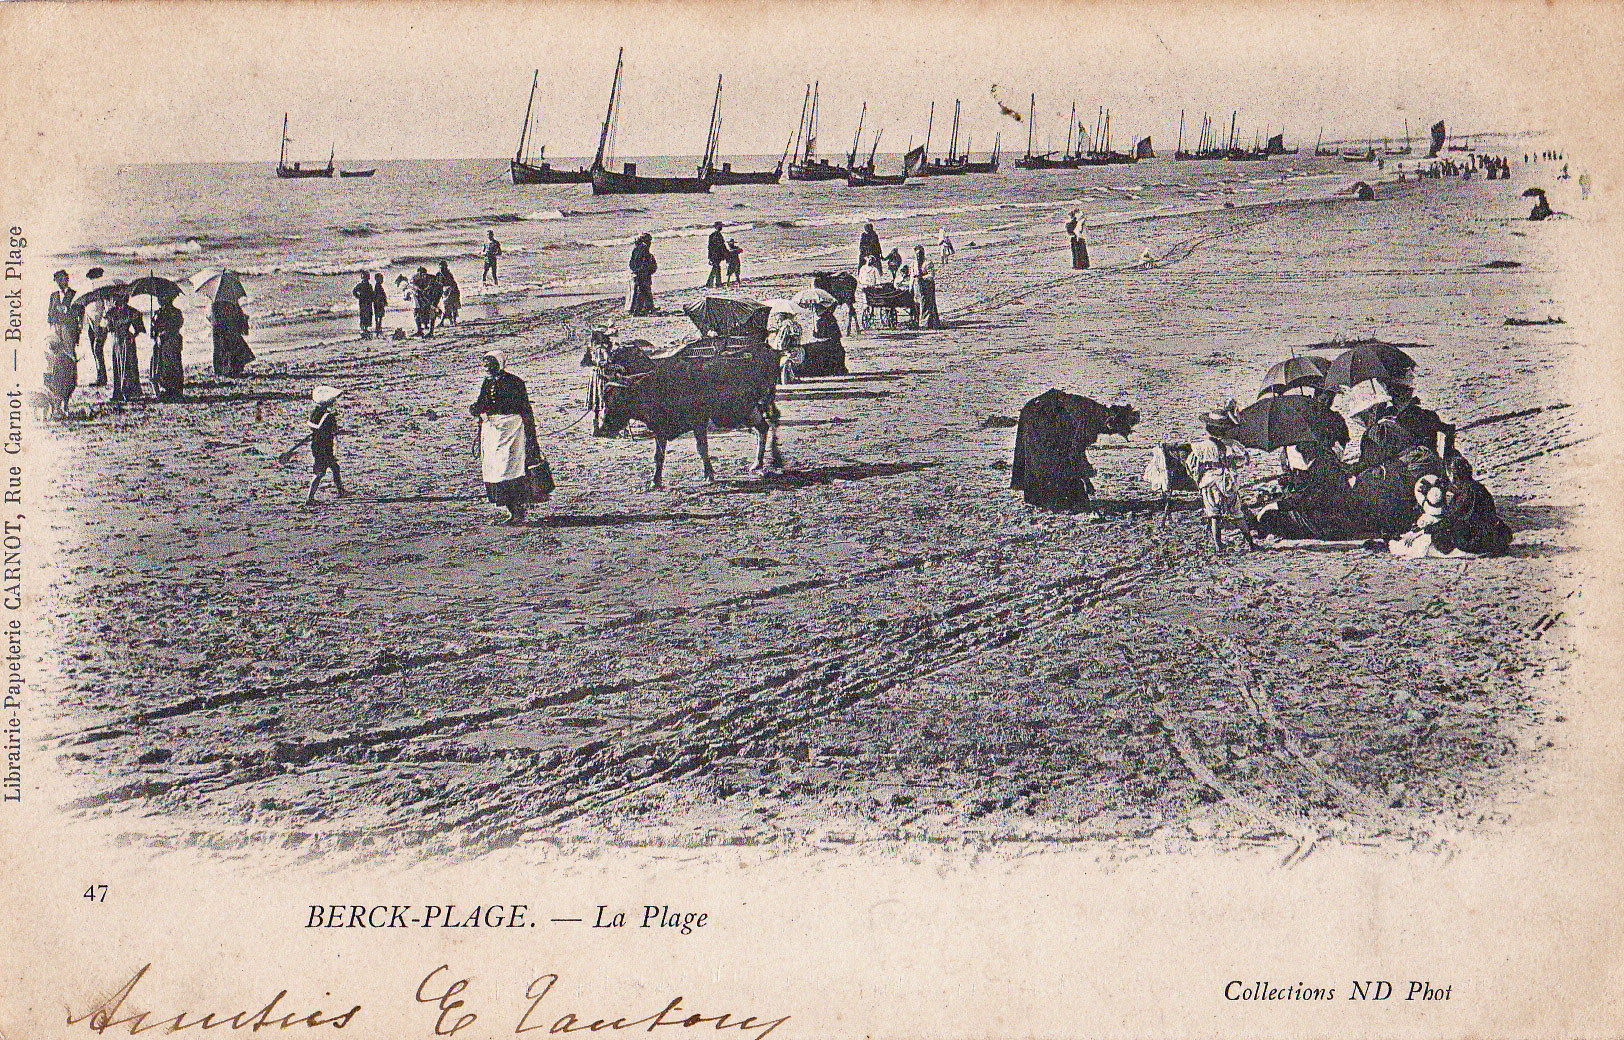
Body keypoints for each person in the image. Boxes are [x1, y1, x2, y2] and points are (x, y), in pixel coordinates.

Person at [470, 351, 542, 524]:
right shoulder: (487, 383)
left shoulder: (514, 382)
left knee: (510, 468)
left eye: (491, 365)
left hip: (512, 431)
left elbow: (524, 408)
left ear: (499, 364)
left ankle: (518, 509)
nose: (487, 368)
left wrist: (530, 433)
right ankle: (512, 510)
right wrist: (476, 409)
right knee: (495, 470)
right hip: (493, 433)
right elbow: (483, 402)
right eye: (485, 365)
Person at [1190, 406, 1253, 553]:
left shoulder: (1200, 446)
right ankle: (1250, 543)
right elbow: (1243, 461)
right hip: (1226, 481)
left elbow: (1193, 464)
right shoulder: (1232, 445)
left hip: (1209, 481)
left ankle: (1218, 546)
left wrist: (1199, 477)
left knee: (1214, 515)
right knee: (1237, 513)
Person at [305, 384, 348, 505]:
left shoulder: (315, 413)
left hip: (317, 446)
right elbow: (333, 431)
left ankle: (341, 491)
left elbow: (313, 426)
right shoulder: (328, 416)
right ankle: (310, 498)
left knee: (334, 467)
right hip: (325, 447)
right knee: (319, 473)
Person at [44, 270, 77, 416]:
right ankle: (58, 396)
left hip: (68, 330)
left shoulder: (73, 294)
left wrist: (67, 311)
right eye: (58, 280)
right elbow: (49, 316)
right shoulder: (53, 296)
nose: (61, 282)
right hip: (57, 330)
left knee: (69, 359)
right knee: (56, 360)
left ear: (67, 280)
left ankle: (67, 398)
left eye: (63, 279)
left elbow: (78, 314)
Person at [104, 287, 145, 402]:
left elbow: (139, 328)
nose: (115, 300)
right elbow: (108, 329)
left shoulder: (131, 312)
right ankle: (119, 392)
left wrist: (132, 336)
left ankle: (129, 391)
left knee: (128, 365)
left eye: (117, 298)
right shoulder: (111, 313)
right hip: (118, 342)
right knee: (118, 366)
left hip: (126, 341)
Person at [149, 299, 184, 400]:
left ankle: (174, 390)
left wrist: (163, 331)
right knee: (160, 365)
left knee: (171, 365)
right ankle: (167, 389)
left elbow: (177, 326)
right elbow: (153, 334)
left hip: (170, 342)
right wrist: (153, 325)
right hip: (162, 343)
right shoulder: (158, 314)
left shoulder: (175, 313)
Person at [211, 295, 253, 377]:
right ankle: (232, 369)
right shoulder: (231, 300)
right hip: (229, 330)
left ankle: (220, 371)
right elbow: (237, 315)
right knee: (233, 348)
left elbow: (213, 318)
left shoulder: (214, 303)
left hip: (219, 330)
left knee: (221, 350)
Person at [82, 268, 109, 387]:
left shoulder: (104, 292)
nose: (92, 281)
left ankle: (102, 378)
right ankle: (100, 376)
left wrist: (102, 324)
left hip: (101, 325)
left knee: (97, 349)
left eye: (94, 278)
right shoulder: (91, 291)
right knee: (95, 350)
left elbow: (107, 310)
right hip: (92, 324)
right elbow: (88, 310)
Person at [628, 234, 657, 315]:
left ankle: (643, 308)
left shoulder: (636, 250)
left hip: (640, 273)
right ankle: (640, 310)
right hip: (643, 274)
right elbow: (644, 263)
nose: (650, 244)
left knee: (641, 291)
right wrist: (643, 270)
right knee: (643, 291)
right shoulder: (644, 250)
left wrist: (636, 270)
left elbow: (631, 263)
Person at [913, 245, 940, 329]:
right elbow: (912, 275)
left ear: (923, 254)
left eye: (920, 254)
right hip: (918, 286)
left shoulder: (927, 263)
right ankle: (921, 321)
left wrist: (922, 277)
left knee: (928, 304)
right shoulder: (914, 263)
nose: (918, 256)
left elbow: (931, 275)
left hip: (928, 286)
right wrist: (911, 287)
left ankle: (928, 323)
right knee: (919, 303)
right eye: (917, 254)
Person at [411, 266, 437, 337]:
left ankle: (430, 332)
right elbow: (413, 286)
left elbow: (433, 290)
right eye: (421, 274)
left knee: (431, 312)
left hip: (431, 296)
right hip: (419, 297)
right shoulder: (415, 278)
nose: (423, 276)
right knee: (417, 312)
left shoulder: (431, 279)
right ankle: (420, 330)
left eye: (424, 274)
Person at [352, 272, 375, 338]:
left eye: (366, 278)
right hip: (363, 302)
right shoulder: (361, 285)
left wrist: (372, 299)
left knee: (368, 315)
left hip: (367, 302)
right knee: (363, 315)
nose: (366, 279)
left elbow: (372, 293)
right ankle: (363, 328)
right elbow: (354, 291)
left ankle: (365, 328)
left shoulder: (368, 285)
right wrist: (358, 296)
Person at [705, 221, 727, 288]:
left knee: (716, 268)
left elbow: (710, 247)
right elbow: (721, 246)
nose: (721, 227)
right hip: (716, 255)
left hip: (715, 255)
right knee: (716, 268)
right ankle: (716, 283)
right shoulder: (717, 235)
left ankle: (711, 283)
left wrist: (709, 257)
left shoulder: (714, 235)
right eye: (720, 226)